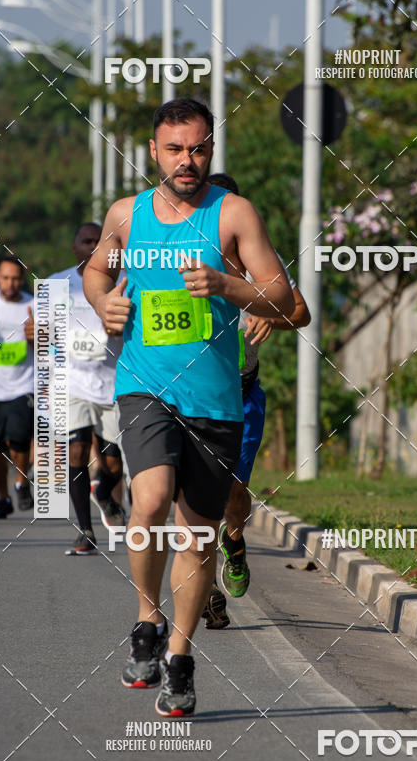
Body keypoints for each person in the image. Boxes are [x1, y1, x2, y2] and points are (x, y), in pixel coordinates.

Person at [84, 97, 294, 716]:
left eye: (198, 148)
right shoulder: (125, 215)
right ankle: (146, 618)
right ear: (154, 151)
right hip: (144, 385)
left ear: (210, 150)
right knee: (149, 502)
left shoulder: (234, 214)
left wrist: (228, 285)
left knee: (198, 538)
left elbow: (283, 298)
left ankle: (179, 656)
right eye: (174, 149)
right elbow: (96, 272)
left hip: (216, 400)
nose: (187, 160)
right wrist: (102, 302)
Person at [201, 175, 311, 628]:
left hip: (243, 395)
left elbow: (300, 312)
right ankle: (204, 587)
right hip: (191, 394)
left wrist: (273, 318)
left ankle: (234, 540)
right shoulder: (180, 257)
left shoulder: (260, 261)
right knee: (190, 495)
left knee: (233, 494)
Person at [49, 223, 126, 556]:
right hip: (72, 383)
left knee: (114, 465)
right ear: (74, 247)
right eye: (87, 241)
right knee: (77, 451)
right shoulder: (55, 284)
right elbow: (41, 336)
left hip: (114, 383)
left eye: (100, 241)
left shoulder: (127, 281)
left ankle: (103, 492)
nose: (94, 246)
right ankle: (85, 530)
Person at [0, 256, 34, 518]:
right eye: (5, 278)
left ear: (21, 280)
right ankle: (3, 498)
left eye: (15, 278)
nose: (10, 283)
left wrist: (37, 337)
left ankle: (21, 483)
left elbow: (49, 345)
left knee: (19, 438)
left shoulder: (33, 304)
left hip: (23, 385)